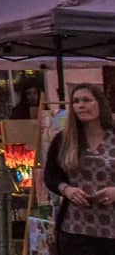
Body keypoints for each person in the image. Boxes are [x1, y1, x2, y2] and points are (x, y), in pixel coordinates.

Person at [44, 83, 115, 255]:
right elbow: (51, 175)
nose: (80, 105)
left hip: (111, 229)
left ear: (100, 103)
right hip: (75, 228)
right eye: (75, 101)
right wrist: (67, 190)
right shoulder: (64, 139)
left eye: (86, 100)